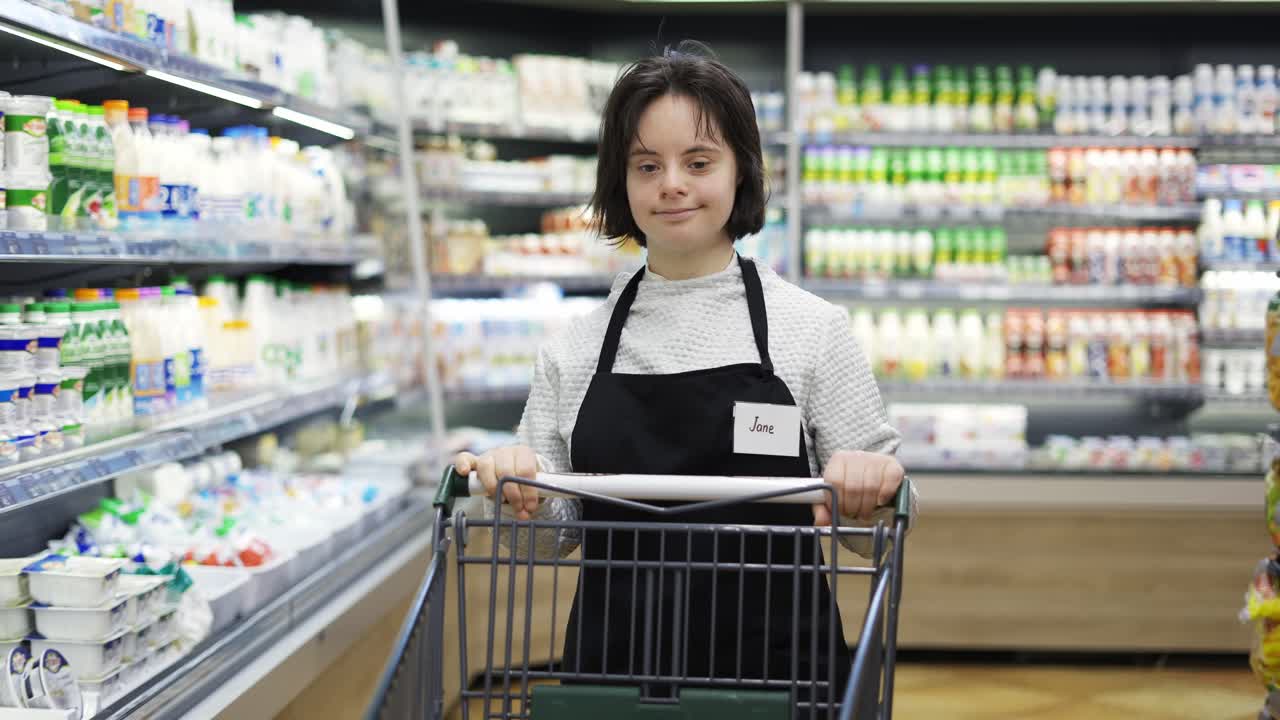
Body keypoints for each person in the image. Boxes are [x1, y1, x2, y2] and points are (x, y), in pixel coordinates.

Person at [453, 42, 917, 709]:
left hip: (779, 684)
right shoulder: (575, 349)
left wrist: (871, 483)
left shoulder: (811, 330)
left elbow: (875, 533)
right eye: (647, 165)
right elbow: (554, 534)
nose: (671, 183)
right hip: (616, 682)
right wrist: (514, 487)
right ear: (621, 182)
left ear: (741, 172)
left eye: (698, 162)